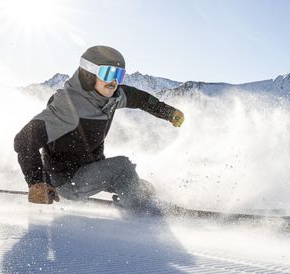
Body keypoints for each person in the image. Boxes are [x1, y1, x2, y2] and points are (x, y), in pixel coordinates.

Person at [13, 45, 184, 213]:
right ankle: (141, 212)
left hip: (90, 170)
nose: (114, 81)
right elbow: (24, 140)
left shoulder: (113, 96)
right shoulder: (68, 105)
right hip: (66, 181)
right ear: (88, 73)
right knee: (123, 168)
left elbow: (140, 98)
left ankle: (139, 202)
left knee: (145, 188)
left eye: (119, 75)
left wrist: (168, 112)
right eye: (108, 73)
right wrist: (36, 182)